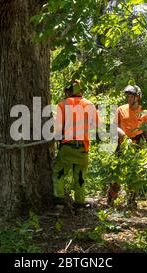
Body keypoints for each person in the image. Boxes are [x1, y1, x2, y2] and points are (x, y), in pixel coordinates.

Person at [52, 80, 101, 215]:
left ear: (69, 90)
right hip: (82, 147)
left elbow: (57, 129)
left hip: (66, 146)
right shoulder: (89, 105)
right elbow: (96, 126)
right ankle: (79, 205)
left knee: (59, 173)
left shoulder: (63, 104)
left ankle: (59, 204)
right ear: (81, 90)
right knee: (79, 177)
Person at [107, 84, 147, 207]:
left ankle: (131, 201)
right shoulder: (120, 109)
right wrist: (119, 131)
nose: (129, 99)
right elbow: (113, 126)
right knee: (117, 173)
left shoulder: (144, 112)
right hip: (121, 144)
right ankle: (111, 200)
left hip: (136, 145)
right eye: (128, 96)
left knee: (134, 173)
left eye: (132, 96)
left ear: (137, 97)